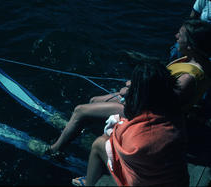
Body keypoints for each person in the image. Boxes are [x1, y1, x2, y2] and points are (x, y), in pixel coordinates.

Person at [48, 19, 211, 155]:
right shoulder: (193, 60)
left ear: (190, 45)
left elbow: (162, 107)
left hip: (148, 115)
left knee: (80, 110)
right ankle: (78, 129)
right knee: (93, 100)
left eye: (180, 36)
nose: (176, 36)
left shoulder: (188, 78)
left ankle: (54, 150)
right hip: (143, 103)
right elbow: (162, 90)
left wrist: (131, 90)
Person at [74, 62, 189, 186]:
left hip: (143, 182)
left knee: (99, 143)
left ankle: (88, 183)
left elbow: (115, 132)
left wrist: (127, 99)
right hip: (178, 181)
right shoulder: (175, 114)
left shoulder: (135, 133)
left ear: (137, 92)